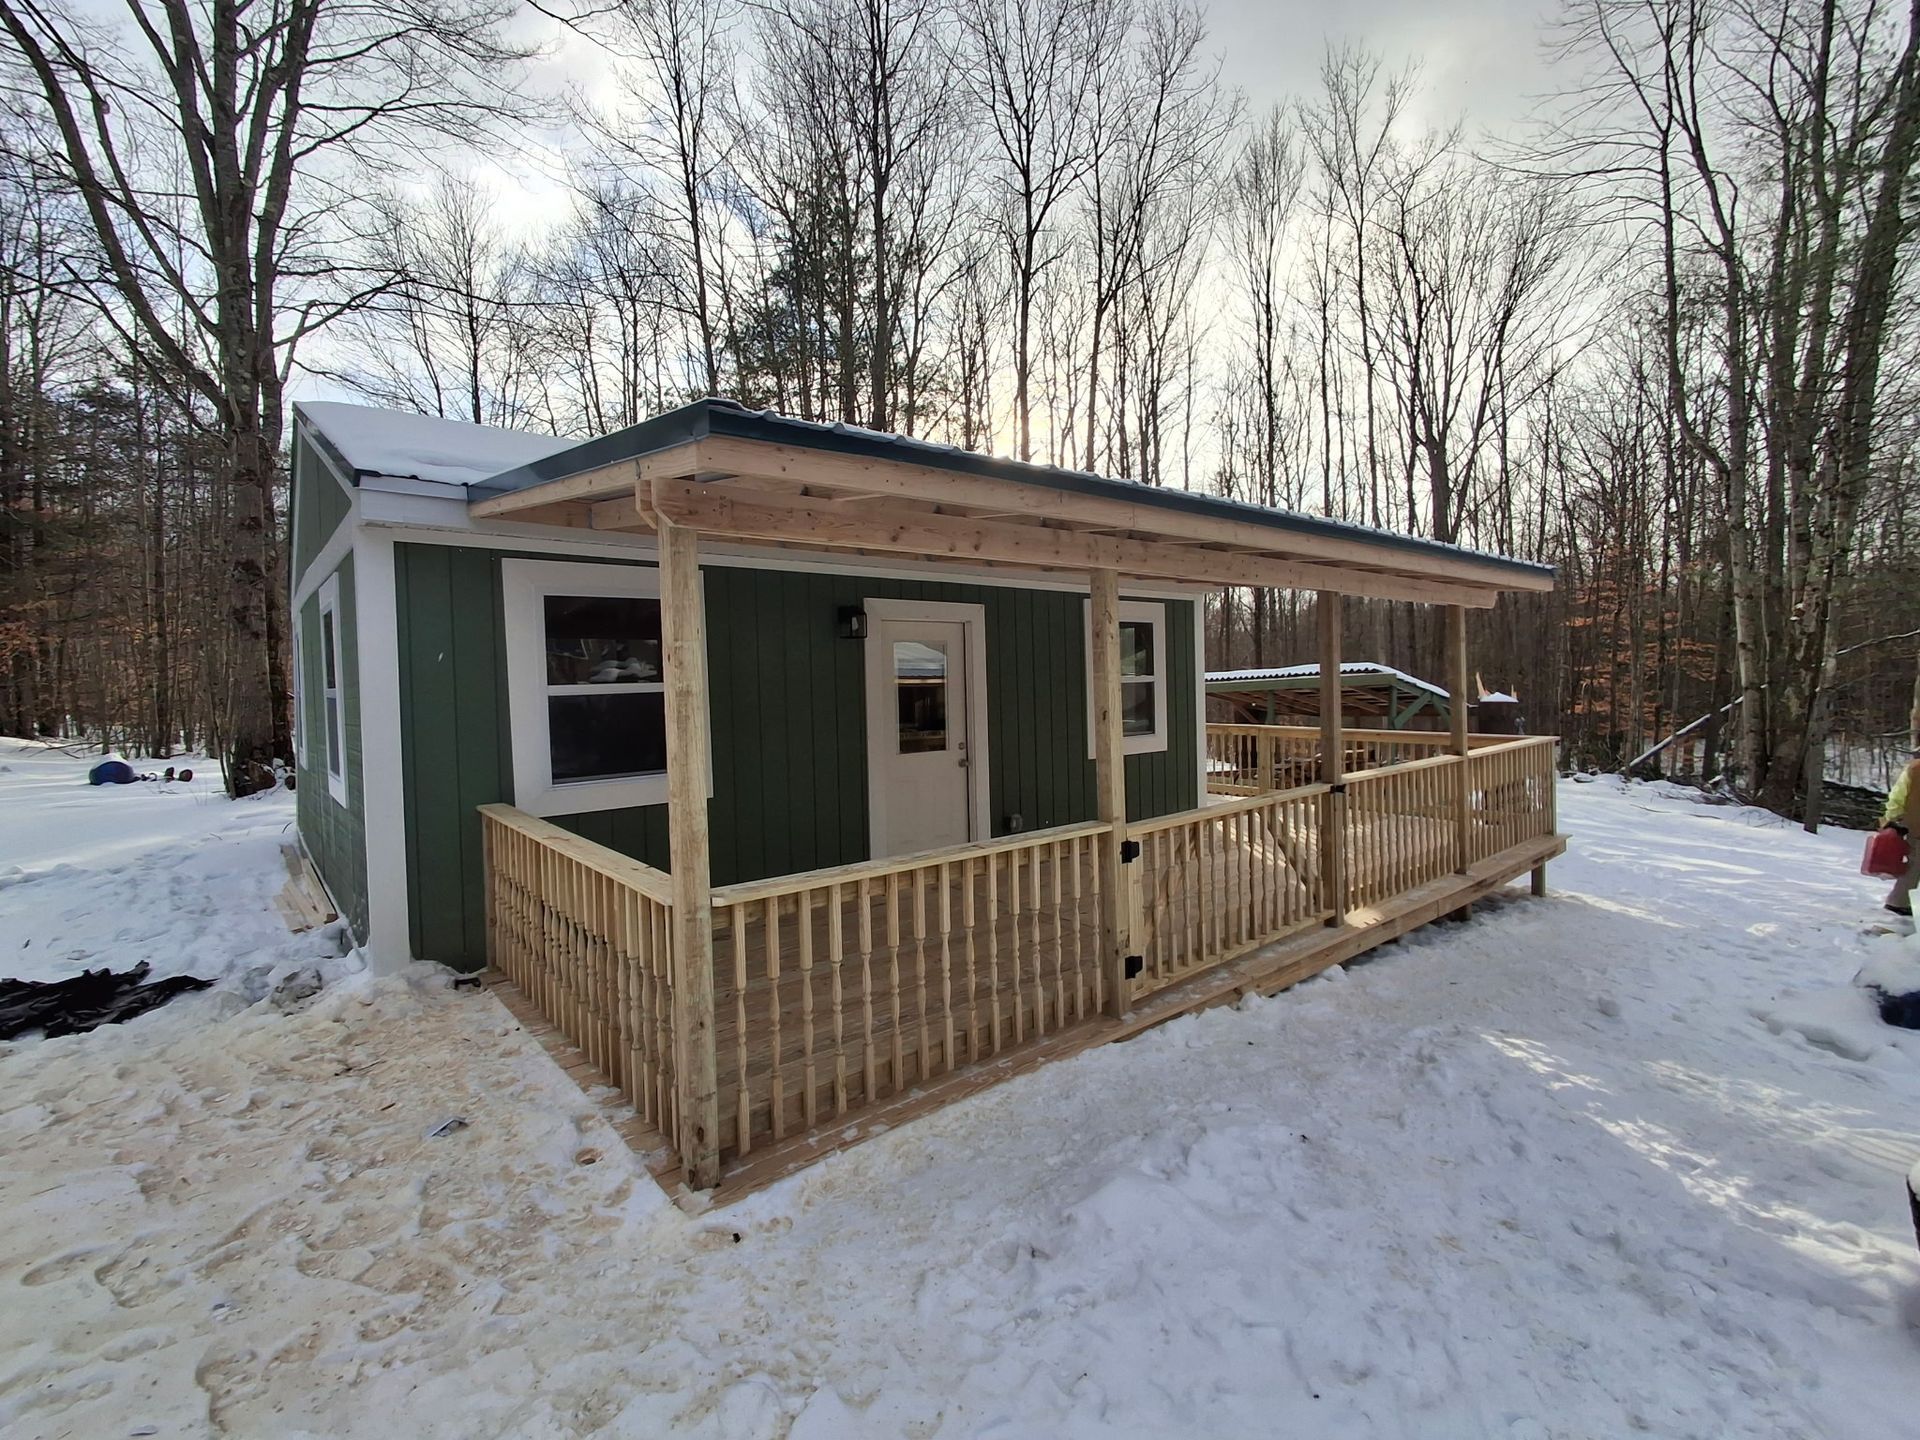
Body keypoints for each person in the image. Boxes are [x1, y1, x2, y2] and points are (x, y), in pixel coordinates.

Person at [1880, 752, 1920, 931]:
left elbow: (1897, 796)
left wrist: (1891, 817)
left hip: (1915, 825)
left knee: (1913, 866)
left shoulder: (1914, 769)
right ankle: (1899, 903)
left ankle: (1899, 902)